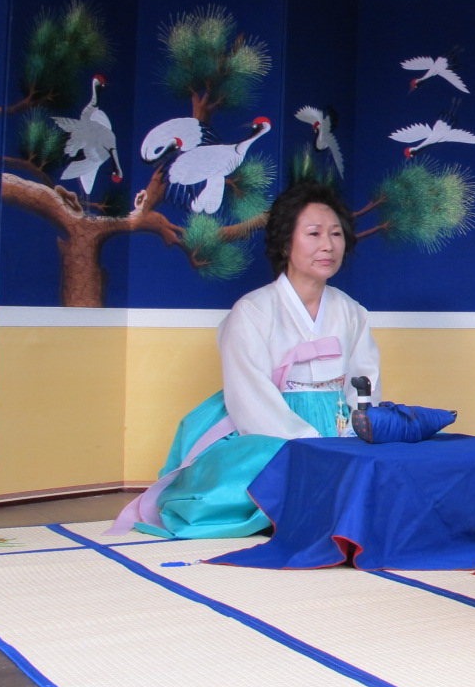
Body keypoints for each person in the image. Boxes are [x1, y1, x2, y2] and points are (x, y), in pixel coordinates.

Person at [112, 180, 381, 539]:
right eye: (314, 233)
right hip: (269, 430)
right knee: (255, 490)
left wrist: (356, 429)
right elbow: (249, 394)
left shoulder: (352, 312)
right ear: (285, 242)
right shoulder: (253, 311)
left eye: (336, 234)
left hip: (339, 427)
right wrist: (307, 443)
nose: (328, 245)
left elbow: (364, 380)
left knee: (380, 485)